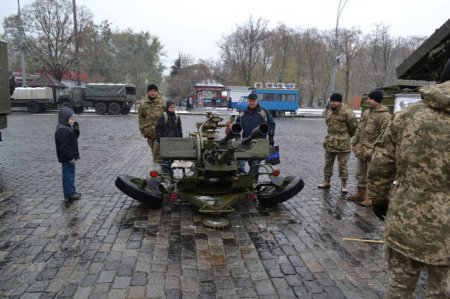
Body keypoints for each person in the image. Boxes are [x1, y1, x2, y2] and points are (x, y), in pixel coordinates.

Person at [366, 67, 450, 298]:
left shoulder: (407, 116)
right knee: (442, 291)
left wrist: (379, 199)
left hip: (406, 221)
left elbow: (381, 163)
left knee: (400, 288)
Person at [347, 90, 391, 207]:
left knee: (372, 175)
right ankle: (361, 193)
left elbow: (385, 135)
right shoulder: (366, 113)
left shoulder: (384, 116)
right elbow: (359, 129)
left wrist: (376, 150)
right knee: (360, 174)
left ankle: (371, 198)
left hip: (373, 152)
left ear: (377, 100)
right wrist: (354, 142)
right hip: (361, 150)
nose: (368, 101)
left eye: (370, 99)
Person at [318, 93, 358, 193]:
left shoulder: (347, 112)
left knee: (343, 166)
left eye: (336, 101)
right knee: (328, 164)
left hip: (343, 144)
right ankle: (326, 181)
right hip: (330, 142)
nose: (333, 103)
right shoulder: (329, 111)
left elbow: (354, 127)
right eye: (332, 101)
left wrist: (346, 136)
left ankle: (344, 185)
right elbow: (328, 125)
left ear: (340, 102)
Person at [236, 93, 275, 176]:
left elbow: (271, 124)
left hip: (259, 143)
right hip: (245, 142)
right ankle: (243, 177)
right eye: (250, 101)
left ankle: (252, 180)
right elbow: (237, 126)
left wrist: (271, 137)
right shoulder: (242, 113)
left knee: (255, 164)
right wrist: (237, 137)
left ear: (257, 101)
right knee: (241, 162)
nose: (252, 103)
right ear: (248, 101)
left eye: (253, 101)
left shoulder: (264, 112)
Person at [55, 106, 81, 200]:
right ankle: (69, 193)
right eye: (71, 118)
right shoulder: (62, 130)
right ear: (65, 118)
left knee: (71, 174)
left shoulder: (67, 127)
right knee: (68, 175)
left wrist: (75, 128)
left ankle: (71, 191)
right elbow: (64, 146)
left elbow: (74, 138)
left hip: (70, 156)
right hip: (67, 158)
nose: (72, 120)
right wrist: (70, 157)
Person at [138, 84, 166, 169]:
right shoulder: (143, 103)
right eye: (151, 91)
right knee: (154, 152)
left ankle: (158, 170)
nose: (153, 93)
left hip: (161, 133)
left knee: (158, 153)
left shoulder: (163, 101)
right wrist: (142, 131)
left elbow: (168, 115)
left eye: (154, 91)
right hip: (149, 132)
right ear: (148, 92)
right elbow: (141, 117)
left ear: (157, 92)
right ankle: (159, 169)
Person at [155, 100, 183, 174]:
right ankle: (167, 175)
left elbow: (179, 129)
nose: (173, 109)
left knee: (172, 160)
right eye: (171, 107)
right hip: (166, 142)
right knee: (166, 160)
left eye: (174, 107)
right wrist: (160, 140)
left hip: (174, 142)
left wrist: (180, 140)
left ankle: (171, 174)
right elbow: (158, 129)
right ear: (167, 108)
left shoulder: (177, 117)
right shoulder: (163, 117)